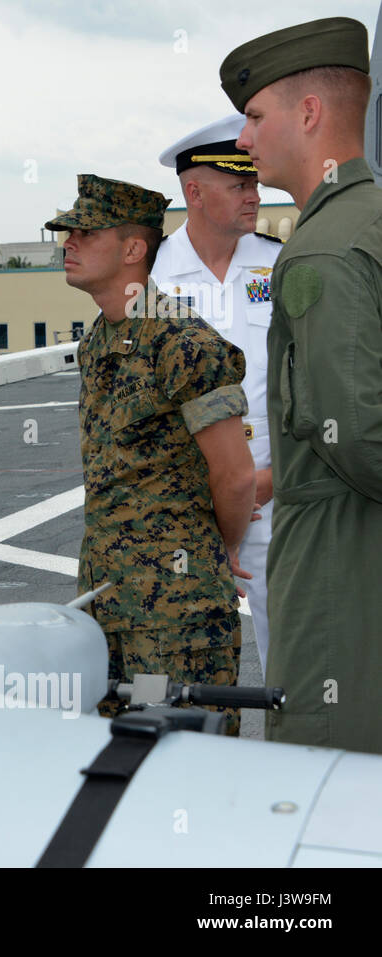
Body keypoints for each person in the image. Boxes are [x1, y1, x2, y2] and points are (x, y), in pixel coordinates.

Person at [221, 16, 381, 753]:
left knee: (327, 789)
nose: (244, 140)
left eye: (255, 117)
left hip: (337, 576)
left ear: (309, 113)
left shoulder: (322, 247)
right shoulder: (369, 220)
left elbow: (360, 436)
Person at [47, 174, 255, 726]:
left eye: (85, 233)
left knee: (186, 767)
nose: (68, 243)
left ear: (134, 249)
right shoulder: (99, 339)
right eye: (67, 233)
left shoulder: (183, 344)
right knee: (119, 768)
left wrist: (211, 554)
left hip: (176, 615)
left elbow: (235, 477)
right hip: (106, 601)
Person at [151, 114, 283, 675]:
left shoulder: (282, 264)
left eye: (254, 183)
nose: (254, 196)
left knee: (295, 652)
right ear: (194, 192)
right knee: (183, 656)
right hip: (188, 503)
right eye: (239, 185)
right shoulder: (152, 275)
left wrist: (266, 482)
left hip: (275, 492)